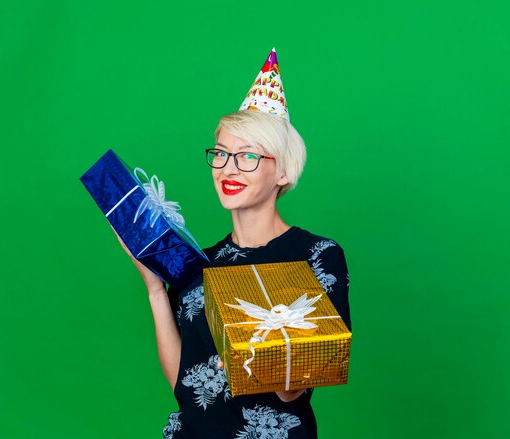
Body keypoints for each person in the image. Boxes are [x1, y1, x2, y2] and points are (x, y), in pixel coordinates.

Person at [114, 49, 350, 438]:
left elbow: (293, 391)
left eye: (247, 156)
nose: (228, 168)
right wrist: (155, 288)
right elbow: (185, 386)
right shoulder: (199, 263)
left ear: (282, 171)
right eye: (221, 153)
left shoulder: (317, 256)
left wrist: (257, 354)